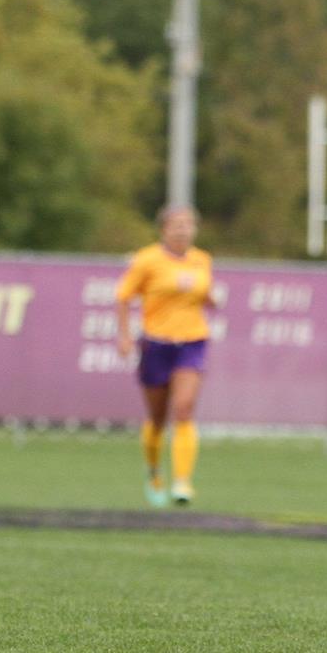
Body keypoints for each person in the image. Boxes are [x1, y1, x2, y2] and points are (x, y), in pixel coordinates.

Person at [114, 206, 216, 506]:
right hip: (157, 342)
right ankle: (154, 470)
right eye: (177, 225)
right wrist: (124, 335)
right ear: (164, 230)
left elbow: (205, 295)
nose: (183, 230)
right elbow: (123, 297)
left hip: (193, 340)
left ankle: (183, 482)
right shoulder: (147, 260)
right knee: (158, 418)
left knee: (183, 408)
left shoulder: (202, 260)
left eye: (188, 225)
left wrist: (212, 300)